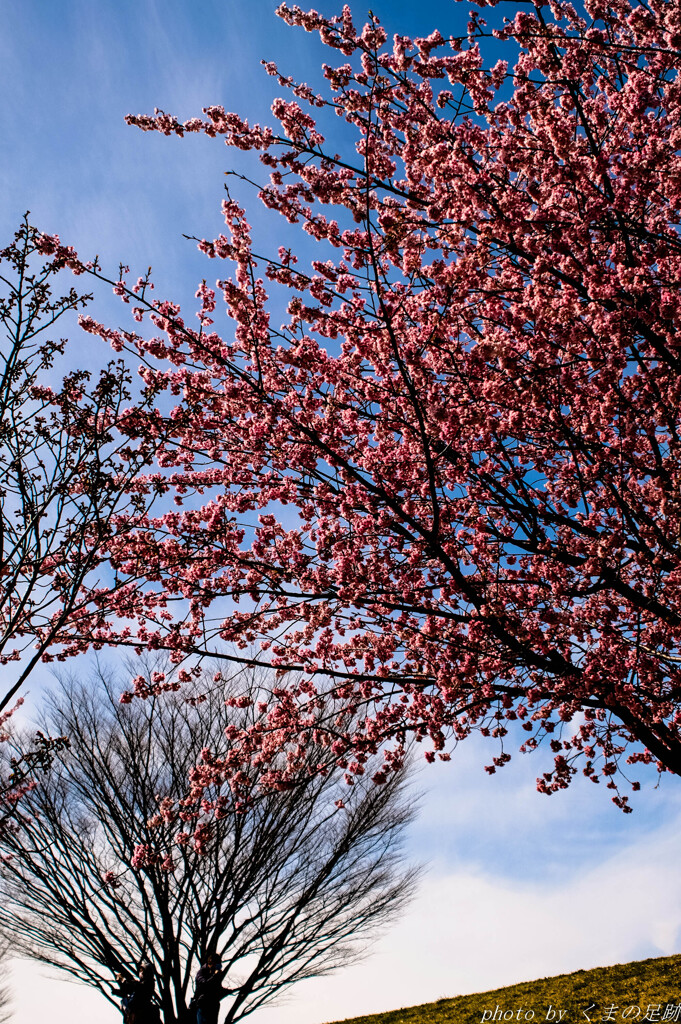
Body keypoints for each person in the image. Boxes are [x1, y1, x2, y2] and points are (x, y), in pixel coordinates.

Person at [191, 953, 230, 1024]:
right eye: (217, 965)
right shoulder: (201, 972)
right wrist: (215, 976)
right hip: (202, 1004)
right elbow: (204, 984)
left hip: (213, 1005)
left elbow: (216, 989)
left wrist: (228, 991)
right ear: (211, 963)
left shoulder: (215, 975)